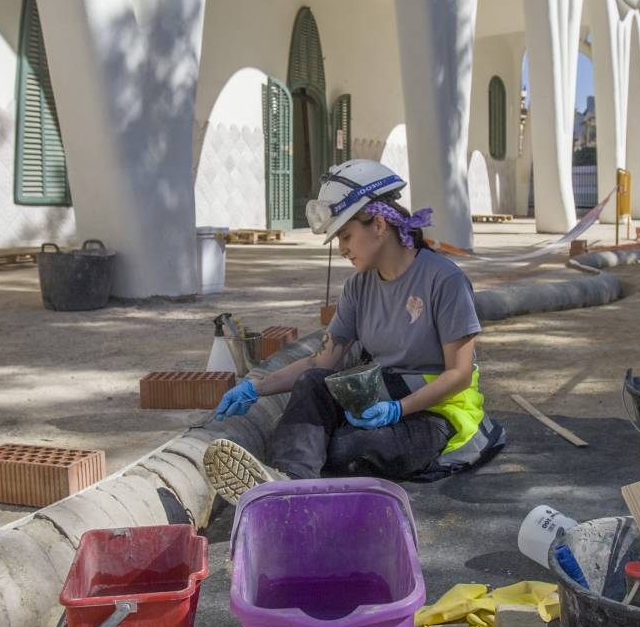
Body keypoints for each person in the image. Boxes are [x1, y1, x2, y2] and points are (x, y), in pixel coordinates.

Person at [202, 159, 506, 504]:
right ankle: (285, 484)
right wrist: (254, 387)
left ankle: (296, 473)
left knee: (348, 448)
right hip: (380, 399)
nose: (341, 248)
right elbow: (321, 362)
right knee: (312, 386)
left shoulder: (444, 281)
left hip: (438, 414)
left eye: (345, 235)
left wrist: (398, 410)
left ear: (378, 224)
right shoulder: (358, 288)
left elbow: (460, 374)